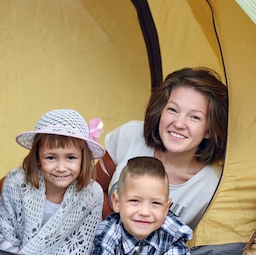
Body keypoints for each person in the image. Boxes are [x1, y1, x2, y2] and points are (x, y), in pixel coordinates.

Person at [97, 67, 228, 228]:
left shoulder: (212, 188)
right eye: (172, 110)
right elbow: (92, 189)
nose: (179, 124)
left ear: (209, 129)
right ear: (161, 111)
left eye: (194, 117)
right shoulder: (130, 136)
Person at [0, 109, 105, 255]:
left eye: (70, 158)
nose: (61, 167)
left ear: (83, 159)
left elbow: (86, 245)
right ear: (37, 157)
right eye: (51, 157)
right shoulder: (16, 181)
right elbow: (1, 231)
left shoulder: (92, 195)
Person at [88, 156, 196, 255]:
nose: (144, 212)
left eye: (156, 203)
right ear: (117, 202)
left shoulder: (171, 232)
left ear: (166, 208)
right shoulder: (108, 232)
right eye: (134, 201)